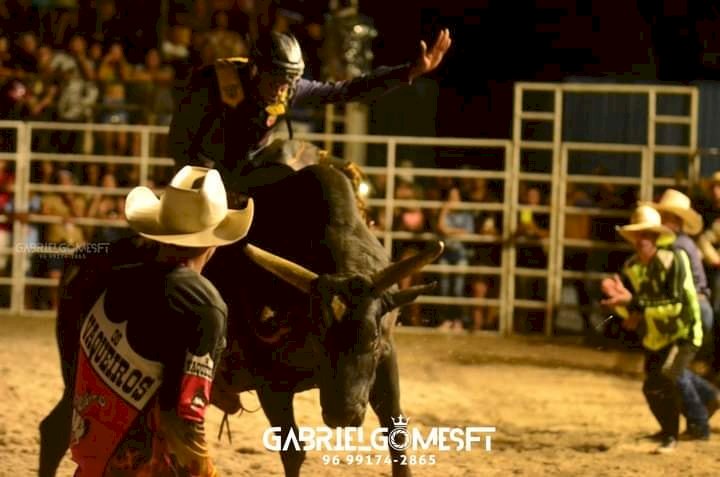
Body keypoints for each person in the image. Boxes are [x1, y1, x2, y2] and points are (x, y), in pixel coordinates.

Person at [68, 166, 254, 475]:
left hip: (90, 459)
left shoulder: (109, 280)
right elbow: (186, 421)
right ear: (215, 241)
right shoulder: (203, 305)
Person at [168, 29, 452, 193]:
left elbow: (347, 90)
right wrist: (199, 181)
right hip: (204, 168)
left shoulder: (291, 89)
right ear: (256, 70)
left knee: (331, 180)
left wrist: (409, 72)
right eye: (276, 80)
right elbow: (181, 137)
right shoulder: (214, 83)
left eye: (289, 81)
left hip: (251, 165)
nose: (282, 89)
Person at [601, 205, 719, 453]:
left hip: (684, 329)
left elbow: (675, 305)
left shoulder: (674, 259)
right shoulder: (633, 267)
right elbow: (635, 310)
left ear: (656, 237)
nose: (642, 240)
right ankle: (702, 403)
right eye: (638, 235)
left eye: (647, 234)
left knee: (669, 377)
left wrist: (632, 304)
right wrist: (620, 304)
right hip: (658, 333)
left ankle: (679, 433)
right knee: (655, 383)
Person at [646, 189, 714, 361]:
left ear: (674, 219)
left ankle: (708, 390)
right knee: (673, 371)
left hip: (690, 309)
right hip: (695, 306)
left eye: (664, 215)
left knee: (670, 371)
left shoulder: (676, 246)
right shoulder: (682, 243)